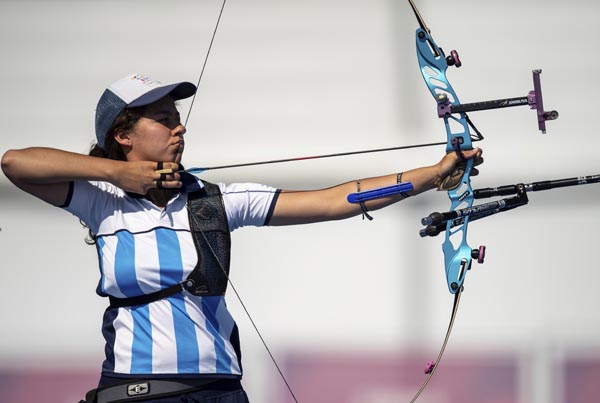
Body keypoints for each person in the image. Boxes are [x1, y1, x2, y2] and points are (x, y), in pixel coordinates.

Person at [1, 74, 483, 403]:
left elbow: (336, 200)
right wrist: (119, 176)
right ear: (123, 136)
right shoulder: (101, 201)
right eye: (164, 117)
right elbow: (14, 163)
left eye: (178, 115)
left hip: (220, 390)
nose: (180, 124)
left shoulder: (214, 201)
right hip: (136, 388)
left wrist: (432, 174)